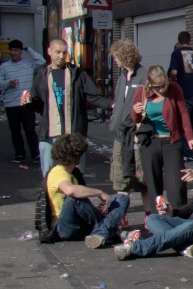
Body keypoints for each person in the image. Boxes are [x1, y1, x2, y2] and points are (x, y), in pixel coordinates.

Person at [114, 141, 193, 260]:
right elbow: (191, 207)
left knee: (190, 226)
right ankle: (187, 248)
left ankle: (135, 248)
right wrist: (172, 212)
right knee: (153, 218)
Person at [30, 38, 113, 176]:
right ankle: (49, 197)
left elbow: (92, 96)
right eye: (58, 52)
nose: (61, 56)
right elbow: (37, 102)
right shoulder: (42, 74)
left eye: (64, 52)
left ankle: (74, 197)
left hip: (73, 133)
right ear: (49, 52)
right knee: (49, 174)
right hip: (49, 134)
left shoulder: (77, 73)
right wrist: (28, 101)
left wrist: (111, 104)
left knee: (75, 173)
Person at [132, 65, 193, 213]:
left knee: (176, 184)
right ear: (149, 83)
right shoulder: (141, 92)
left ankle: (179, 217)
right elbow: (135, 119)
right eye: (156, 87)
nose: (160, 90)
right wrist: (136, 112)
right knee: (154, 185)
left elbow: (183, 113)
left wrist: (190, 137)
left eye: (163, 86)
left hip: (171, 142)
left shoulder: (174, 89)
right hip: (150, 142)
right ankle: (157, 219)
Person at [47, 133, 130, 248]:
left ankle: (100, 233)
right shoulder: (57, 172)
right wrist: (99, 192)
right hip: (64, 227)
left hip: (81, 225)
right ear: (77, 156)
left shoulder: (73, 173)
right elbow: (70, 190)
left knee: (122, 198)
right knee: (74, 198)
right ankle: (105, 230)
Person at [108, 40, 149, 218]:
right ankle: (120, 217)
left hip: (136, 135)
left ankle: (150, 215)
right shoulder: (122, 76)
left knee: (143, 178)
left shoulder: (143, 76)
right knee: (120, 179)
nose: (115, 61)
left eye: (116, 57)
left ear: (124, 56)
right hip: (120, 135)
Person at [0, 39, 45, 164]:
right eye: (12, 50)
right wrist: (8, 83)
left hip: (26, 102)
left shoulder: (29, 64)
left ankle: (35, 154)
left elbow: (42, 61)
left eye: (16, 50)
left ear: (20, 51)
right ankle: (19, 153)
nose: (14, 53)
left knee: (30, 129)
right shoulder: (4, 67)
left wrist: (28, 49)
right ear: (9, 51)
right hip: (11, 103)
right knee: (15, 131)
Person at [168, 31, 193, 161]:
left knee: (185, 124)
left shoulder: (177, 53)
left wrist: (173, 79)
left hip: (184, 93)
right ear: (190, 40)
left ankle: (188, 153)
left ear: (179, 41)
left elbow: (173, 72)